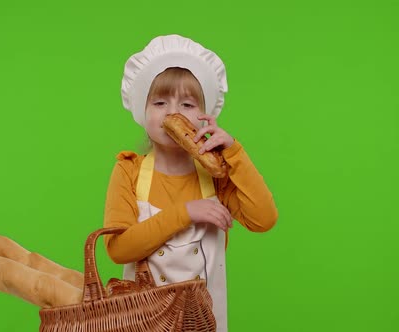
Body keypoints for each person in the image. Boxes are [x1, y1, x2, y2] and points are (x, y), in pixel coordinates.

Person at [103, 34, 278, 331]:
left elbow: (265, 219)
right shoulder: (129, 171)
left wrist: (234, 153)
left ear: (203, 116)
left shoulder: (216, 177)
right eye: (159, 101)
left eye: (186, 103)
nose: (172, 112)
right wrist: (186, 212)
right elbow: (118, 249)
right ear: (142, 112)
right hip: (143, 323)